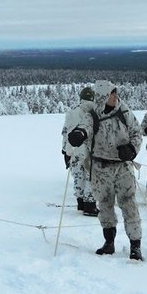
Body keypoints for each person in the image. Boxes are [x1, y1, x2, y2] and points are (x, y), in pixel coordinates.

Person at [66, 80, 144, 260]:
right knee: (105, 206)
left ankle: (135, 246)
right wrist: (79, 134)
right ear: (102, 96)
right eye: (112, 93)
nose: (116, 96)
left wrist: (132, 149)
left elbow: (136, 133)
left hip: (122, 166)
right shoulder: (91, 115)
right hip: (100, 168)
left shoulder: (124, 111)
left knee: (129, 205)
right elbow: (85, 127)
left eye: (116, 92)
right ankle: (109, 243)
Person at [61, 86, 98, 216]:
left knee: (78, 176)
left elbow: (65, 132)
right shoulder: (95, 111)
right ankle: (90, 205)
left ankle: (80, 202)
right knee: (91, 177)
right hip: (89, 149)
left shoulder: (72, 111)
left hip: (73, 149)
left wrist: (65, 150)